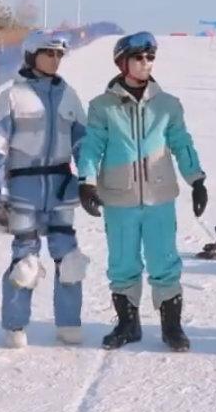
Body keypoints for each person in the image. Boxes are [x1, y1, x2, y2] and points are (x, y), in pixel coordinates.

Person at [75, 32, 208, 352]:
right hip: (119, 197)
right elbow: (92, 146)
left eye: (150, 58)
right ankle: (127, 323)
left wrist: (197, 179)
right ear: (123, 62)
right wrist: (86, 181)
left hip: (159, 196)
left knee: (163, 260)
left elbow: (181, 142)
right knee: (122, 261)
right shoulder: (102, 107)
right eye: (138, 58)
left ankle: (171, 327)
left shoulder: (167, 105)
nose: (145, 63)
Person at [0, 29, 89, 349]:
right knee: (25, 261)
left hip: (60, 187)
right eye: (49, 53)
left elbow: (83, 143)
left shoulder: (69, 94)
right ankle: (15, 326)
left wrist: (88, 181)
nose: (56, 60)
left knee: (69, 259)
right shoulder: (13, 96)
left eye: (59, 55)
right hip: (23, 189)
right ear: (31, 55)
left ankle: (69, 324)